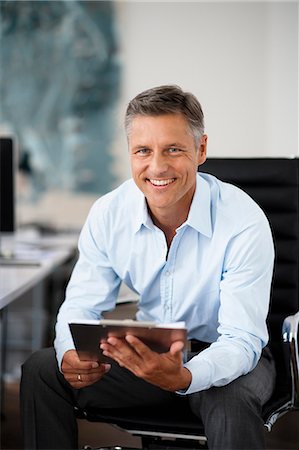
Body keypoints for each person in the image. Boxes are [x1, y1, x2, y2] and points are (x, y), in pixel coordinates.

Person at [20, 85, 276, 450]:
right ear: (130, 153)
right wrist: (69, 354)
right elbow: (81, 304)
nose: (157, 167)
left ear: (201, 150)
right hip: (151, 353)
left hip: (228, 357)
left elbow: (241, 340)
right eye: (143, 151)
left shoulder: (243, 220)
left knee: (227, 398)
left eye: (173, 149)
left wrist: (186, 375)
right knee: (43, 370)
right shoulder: (109, 213)